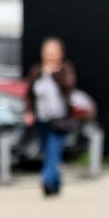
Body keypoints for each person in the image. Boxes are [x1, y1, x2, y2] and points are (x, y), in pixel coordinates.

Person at [21, 36, 77, 196]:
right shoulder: (37, 71)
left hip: (59, 119)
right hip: (42, 118)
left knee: (54, 150)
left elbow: (69, 86)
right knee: (48, 151)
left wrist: (53, 73)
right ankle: (55, 182)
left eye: (54, 52)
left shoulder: (65, 69)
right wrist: (29, 112)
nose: (50, 55)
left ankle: (46, 180)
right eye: (48, 51)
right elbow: (30, 95)